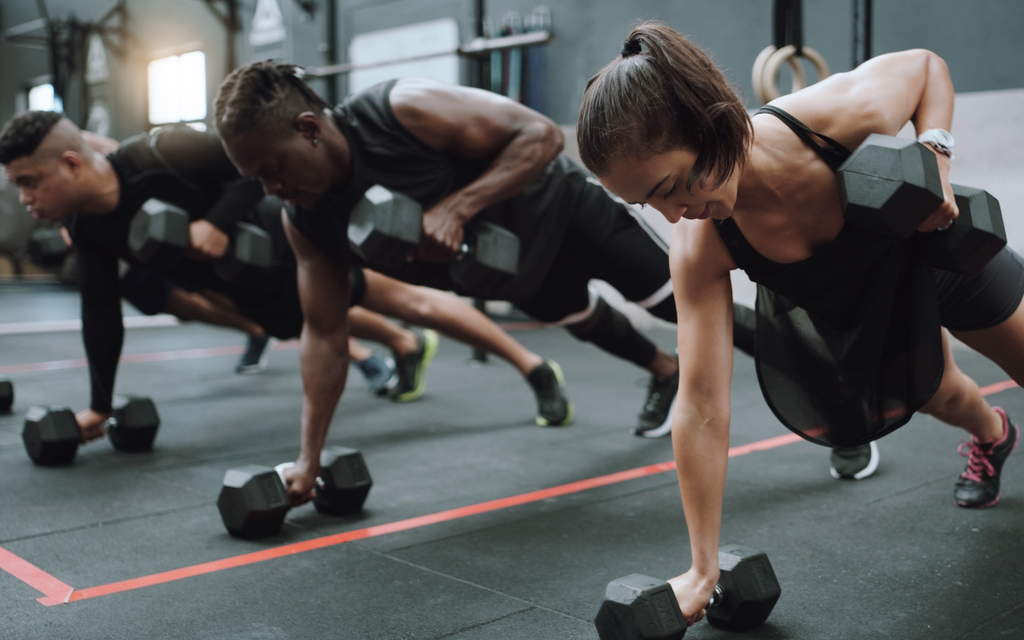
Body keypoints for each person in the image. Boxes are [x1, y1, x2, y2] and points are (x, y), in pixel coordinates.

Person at [577, 22, 1024, 624]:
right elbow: (702, 404)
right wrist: (701, 569)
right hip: (857, 301)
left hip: (933, 255)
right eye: (650, 204)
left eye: (672, 186)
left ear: (707, 123)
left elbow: (924, 66)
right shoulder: (700, 246)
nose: (674, 212)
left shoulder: (834, 116)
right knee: (937, 393)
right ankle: (994, 434)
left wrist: (935, 152)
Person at [213, 62, 758, 504]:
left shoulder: (399, 111)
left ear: (308, 129)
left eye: (272, 168)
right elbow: (325, 336)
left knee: (677, 307)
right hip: (511, 269)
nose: (271, 187)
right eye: (257, 179)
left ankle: (822, 382)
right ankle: (663, 370)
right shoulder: (306, 223)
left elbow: (539, 134)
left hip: (565, 213)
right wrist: (308, 460)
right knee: (584, 321)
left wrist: (457, 207)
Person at [0, 112, 570, 441]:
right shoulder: (91, 226)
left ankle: (535, 367)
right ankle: (407, 348)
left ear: (72, 164)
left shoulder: (159, 152)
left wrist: (218, 223)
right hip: (248, 289)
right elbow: (98, 310)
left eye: (29, 181)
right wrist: (99, 405)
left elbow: (255, 169)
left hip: (291, 244)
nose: (25, 199)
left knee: (409, 302)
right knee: (329, 323)